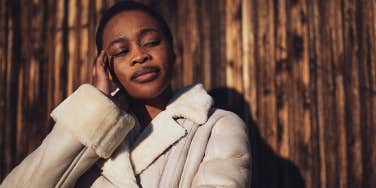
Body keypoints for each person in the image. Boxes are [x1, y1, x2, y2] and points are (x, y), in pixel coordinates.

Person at [0, 1, 250, 187]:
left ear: (174, 53)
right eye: (121, 51)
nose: (139, 56)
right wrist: (96, 110)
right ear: (106, 67)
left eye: (151, 42)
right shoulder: (89, 135)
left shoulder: (217, 127)